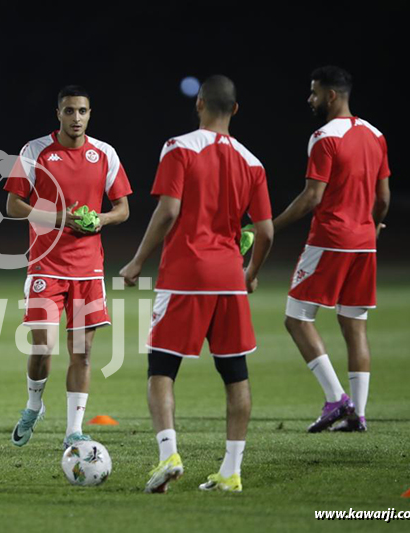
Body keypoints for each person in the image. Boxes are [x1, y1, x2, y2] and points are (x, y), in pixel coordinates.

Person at [120, 75, 273, 493]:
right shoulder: (252, 162)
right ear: (236, 110)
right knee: (235, 374)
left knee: (162, 368)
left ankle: (169, 454)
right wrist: (251, 272)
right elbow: (266, 231)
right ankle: (231, 471)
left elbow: (168, 211)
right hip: (229, 278)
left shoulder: (179, 147)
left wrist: (136, 262)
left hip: (186, 274)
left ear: (200, 103)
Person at [4, 85, 131, 450]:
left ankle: (73, 430)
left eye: (83, 111)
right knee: (42, 347)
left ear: (90, 114)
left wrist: (100, 220)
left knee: (83, 353)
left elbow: (123, 208)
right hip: (45, 265)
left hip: (89, 270)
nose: (77, 118)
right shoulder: (34, 151)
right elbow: (13, 205)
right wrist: (60, 217)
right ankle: (33, 406)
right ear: (58, 114)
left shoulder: (104, 153)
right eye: (70, 111)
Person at [273, 66, 390, 433]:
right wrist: (375, 224)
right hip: (364, 243)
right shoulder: (375, 135)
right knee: (355, 326)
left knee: (296, 318)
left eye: (314, 93)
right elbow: (383, 196)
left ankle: (337, 399)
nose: (310, 99)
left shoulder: (325, 137)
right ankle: (359, 415)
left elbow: (312, 197)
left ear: (332, 96)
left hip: (331, 238)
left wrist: (269, 228)